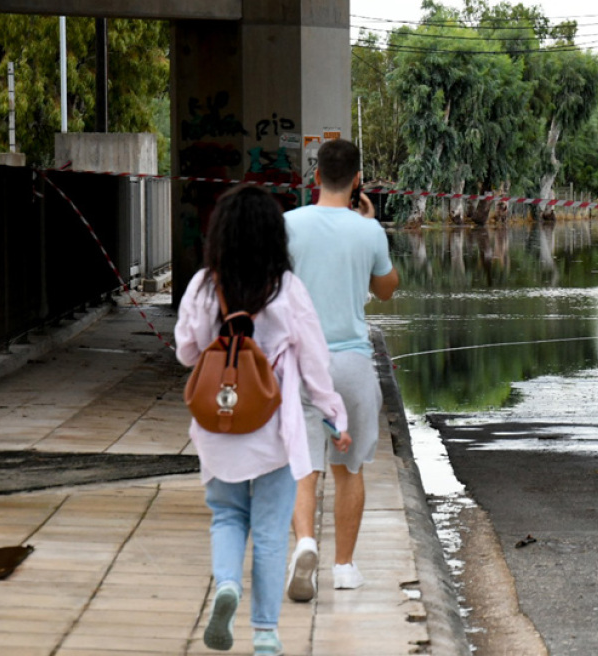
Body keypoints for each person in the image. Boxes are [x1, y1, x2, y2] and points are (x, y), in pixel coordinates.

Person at [175, 185, 352, 655]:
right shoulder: (286, 289)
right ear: (274, 236)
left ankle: (228, 585)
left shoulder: (203, 285)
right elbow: (315, 364)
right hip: (273, 432)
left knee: (227, 517)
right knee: (272, 532)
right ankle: (267, 635)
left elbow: (186, 350)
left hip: (218, 429)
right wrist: (334, 413)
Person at [283, 139, 399, 600]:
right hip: (351, 361)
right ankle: (345, 568)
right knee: (349, 468)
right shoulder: (368, 231)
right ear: (356, 181)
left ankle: (305, 543)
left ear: (314, 178)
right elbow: (387, 290)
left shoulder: (287, 225)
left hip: (300, 363)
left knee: (303, 468)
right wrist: (369, 229)